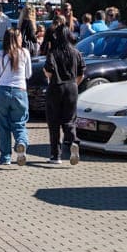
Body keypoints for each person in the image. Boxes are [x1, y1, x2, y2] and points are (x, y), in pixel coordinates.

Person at [42, 18, 85, 166]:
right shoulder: (77, 53)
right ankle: (73, 141)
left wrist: (49, 76)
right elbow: (82, 74)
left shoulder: (53, 52)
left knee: (53, 122)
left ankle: (56, 156)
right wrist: (75, 84)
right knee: (69, 120)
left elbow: (48, 72)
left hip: (56, 87)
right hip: (72, 87)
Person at [0, 28, 32, 165]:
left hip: (1, 92)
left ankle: (5, 157)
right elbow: (28, 74)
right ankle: (21, 142)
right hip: (19, 91)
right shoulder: (25, 53)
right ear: (17, 39)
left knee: (3, 126)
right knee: (20, 123)